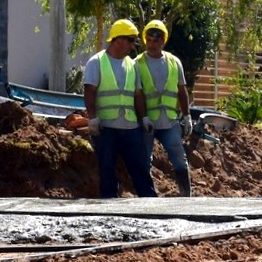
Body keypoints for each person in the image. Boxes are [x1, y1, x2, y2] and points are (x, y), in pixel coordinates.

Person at [83, 19, 156, 198]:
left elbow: (138, 95)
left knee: (140, 168)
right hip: (106, 127)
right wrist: (92, 118)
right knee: (107, 169)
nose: (132, 46)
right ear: (118, 40)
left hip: (130, 127)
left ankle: (151, 203)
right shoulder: (97, 62)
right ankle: (109, 208)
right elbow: (89, 91)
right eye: (130, 40)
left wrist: (144, 117)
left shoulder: (132, 65)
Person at [135, 19, 194, 196]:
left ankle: (186, 195)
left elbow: (181, 89)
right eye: (150, 39)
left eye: (157, 39)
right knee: (144, 160)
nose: (153, 43)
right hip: (148, 122)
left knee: (179, 157)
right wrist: (143, 117)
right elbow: (138, 94)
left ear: (163, 41)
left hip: (169, 121)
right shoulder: (137, 63)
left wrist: (186, 116)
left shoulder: (174, 62)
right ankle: (148, 196)